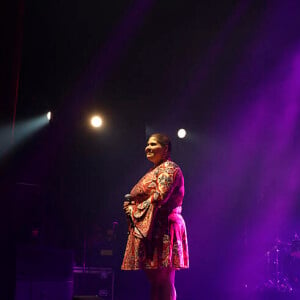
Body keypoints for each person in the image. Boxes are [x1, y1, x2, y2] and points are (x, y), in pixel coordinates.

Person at [121, 133, 189, 300]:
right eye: (147, 144)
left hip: (164, 226)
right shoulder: (155, 170)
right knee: (155, 282)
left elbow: (160, 196)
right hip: (152, 228)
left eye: (152, 144)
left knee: (164, 279)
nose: (147, 148)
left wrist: (133, 210)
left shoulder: (170, 168)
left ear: (165, 149)